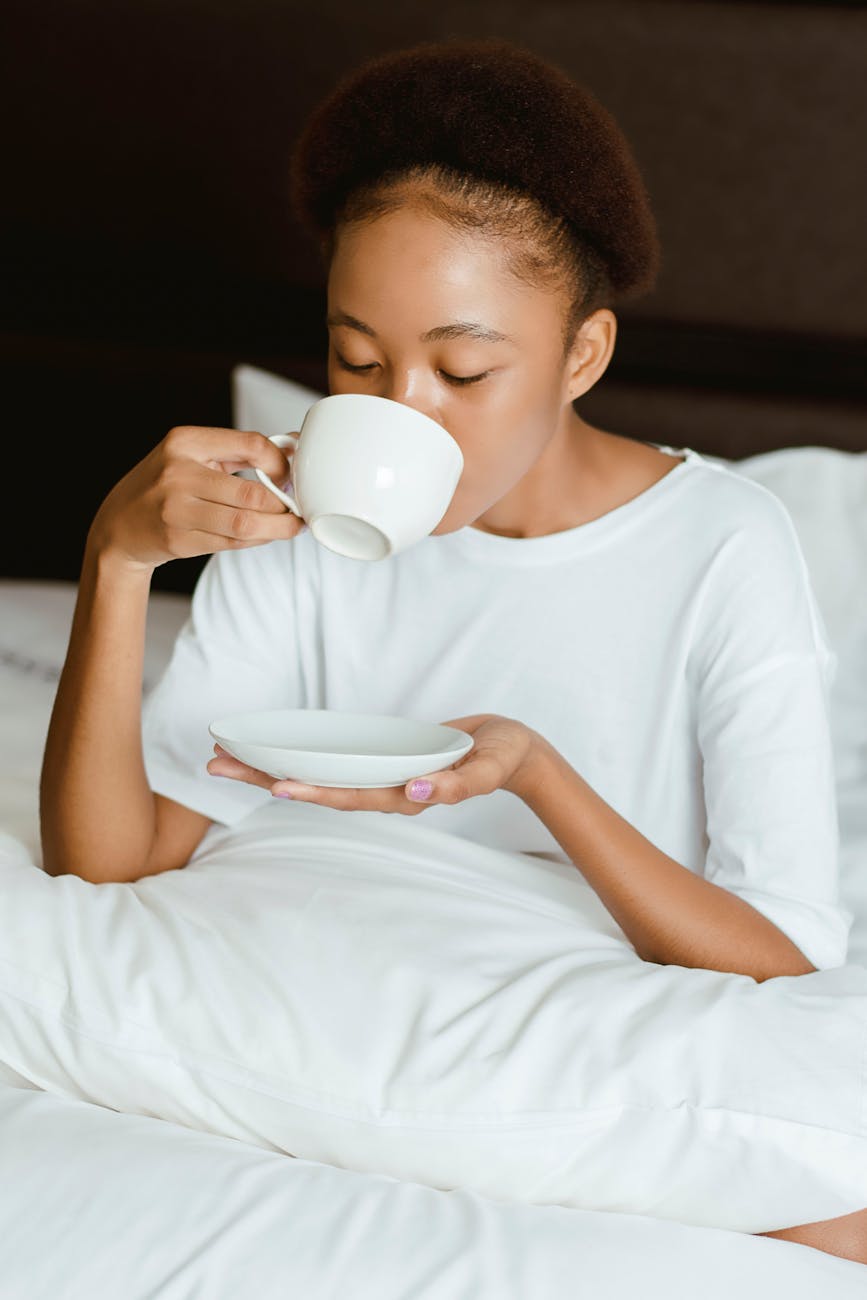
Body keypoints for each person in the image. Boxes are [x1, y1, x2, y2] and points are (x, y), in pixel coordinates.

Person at [38, 37, 865, 1262]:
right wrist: (116, 562)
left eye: (463, 368)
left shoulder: (724, 544)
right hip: (329, 988)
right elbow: (112, 861)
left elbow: (785, 960)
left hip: (590, 1025)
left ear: (583, 355)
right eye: (357, 361)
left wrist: (538, 774)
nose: (395, 414)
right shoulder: (312, 509)